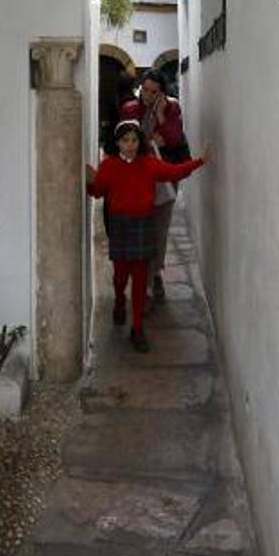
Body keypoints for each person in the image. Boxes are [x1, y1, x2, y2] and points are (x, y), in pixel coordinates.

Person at [86, 120, 205, 352]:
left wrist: (200, 161)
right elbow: (99, 192)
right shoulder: (109, 166)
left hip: (142, 225)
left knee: (140, 278)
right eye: (125, 140)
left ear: (140, 142)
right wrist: (88, 181)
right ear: (117, 143)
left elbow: (174, 171)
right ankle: (120, 301)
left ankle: (137, 328)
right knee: (120, 276)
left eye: (134, 140)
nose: (130, 145)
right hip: (120, 226)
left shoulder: (149, 164)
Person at [138, 71, 191, 302]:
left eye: (153, 91)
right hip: (140, 178)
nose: (148, 95)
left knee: (159, 228)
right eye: (145, 89)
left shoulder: (171, 108)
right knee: (142, 229)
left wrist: (160, 116)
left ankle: (151, 279)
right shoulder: (134, 108)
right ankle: (150, 275)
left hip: (165, 178)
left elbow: (176, 138)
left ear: (162, 92)